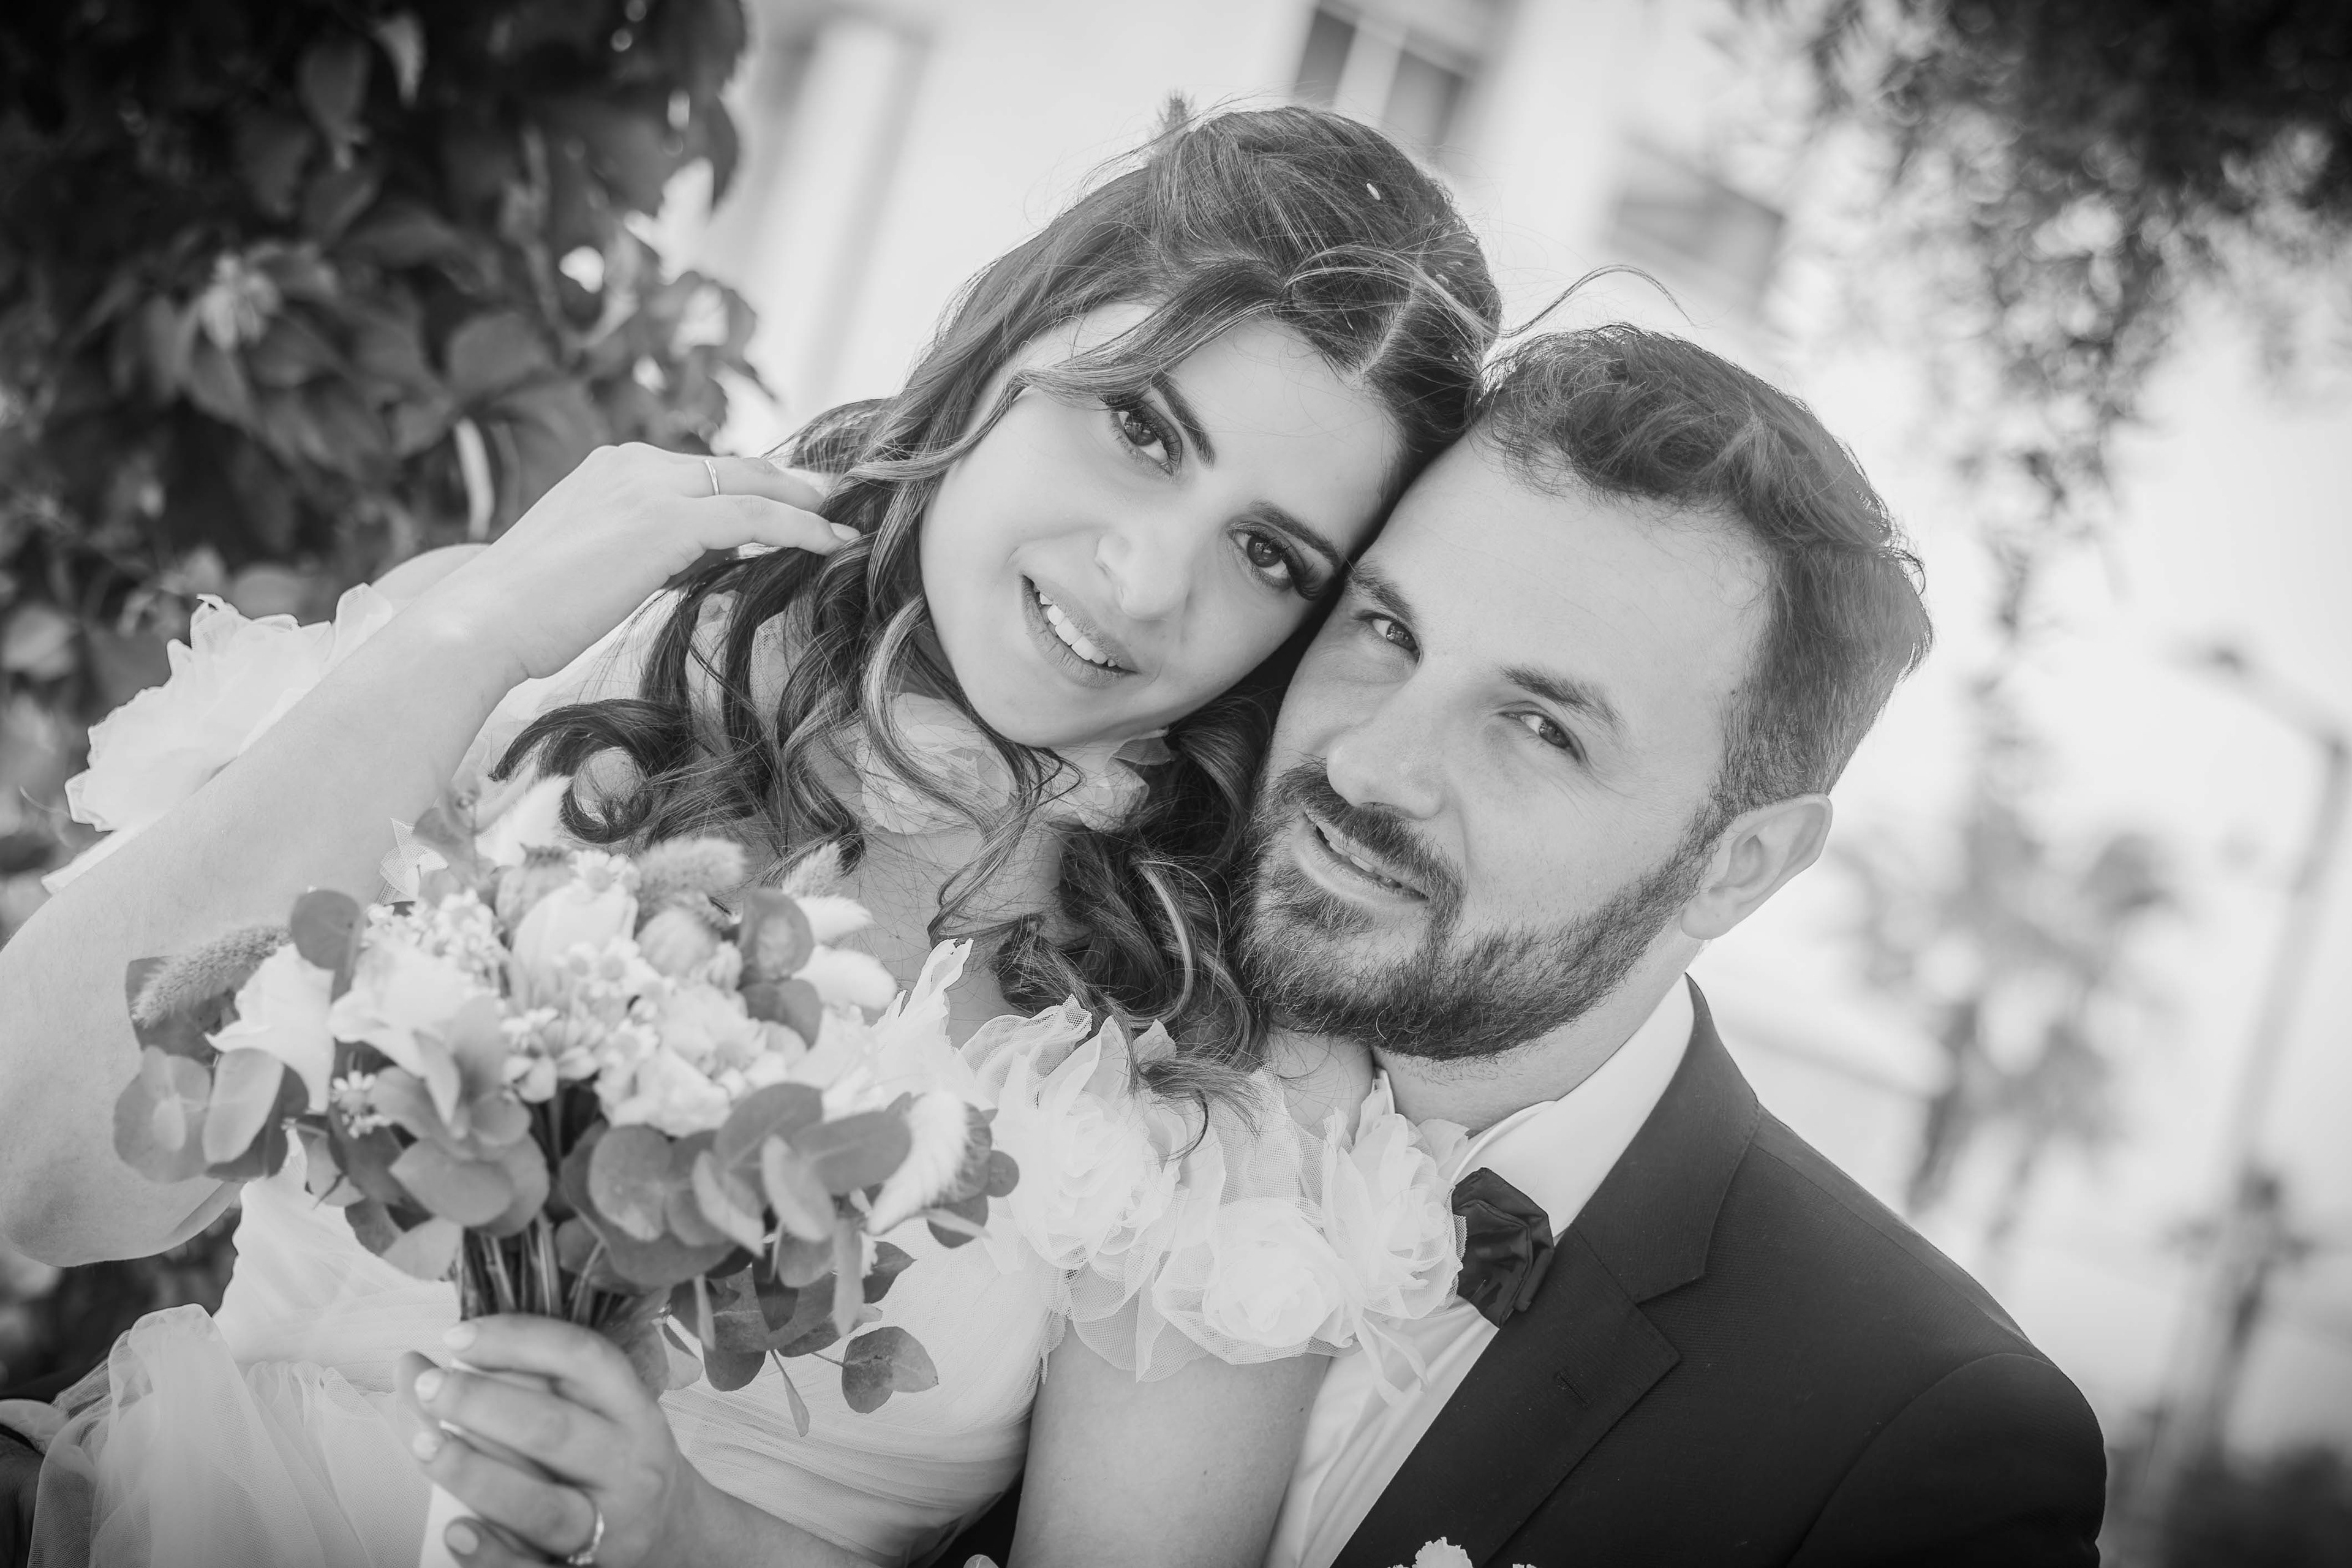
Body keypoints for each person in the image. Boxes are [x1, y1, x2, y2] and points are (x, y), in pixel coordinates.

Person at [0, 104, 1500, 1567]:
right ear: (1011, 342)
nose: (1149, 578)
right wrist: (470, 637)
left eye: (1268, 553)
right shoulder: (566, 654)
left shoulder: (1222, 1047)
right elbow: (43, 1170)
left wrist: (681, 1532)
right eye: (1140, 425)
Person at [952, 326, 2109, 1566]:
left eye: (1542, 727)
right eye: (1387, 630)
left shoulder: (1916, 1446)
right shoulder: (1057, 1000)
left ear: (1740, 865)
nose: (1370, 764)